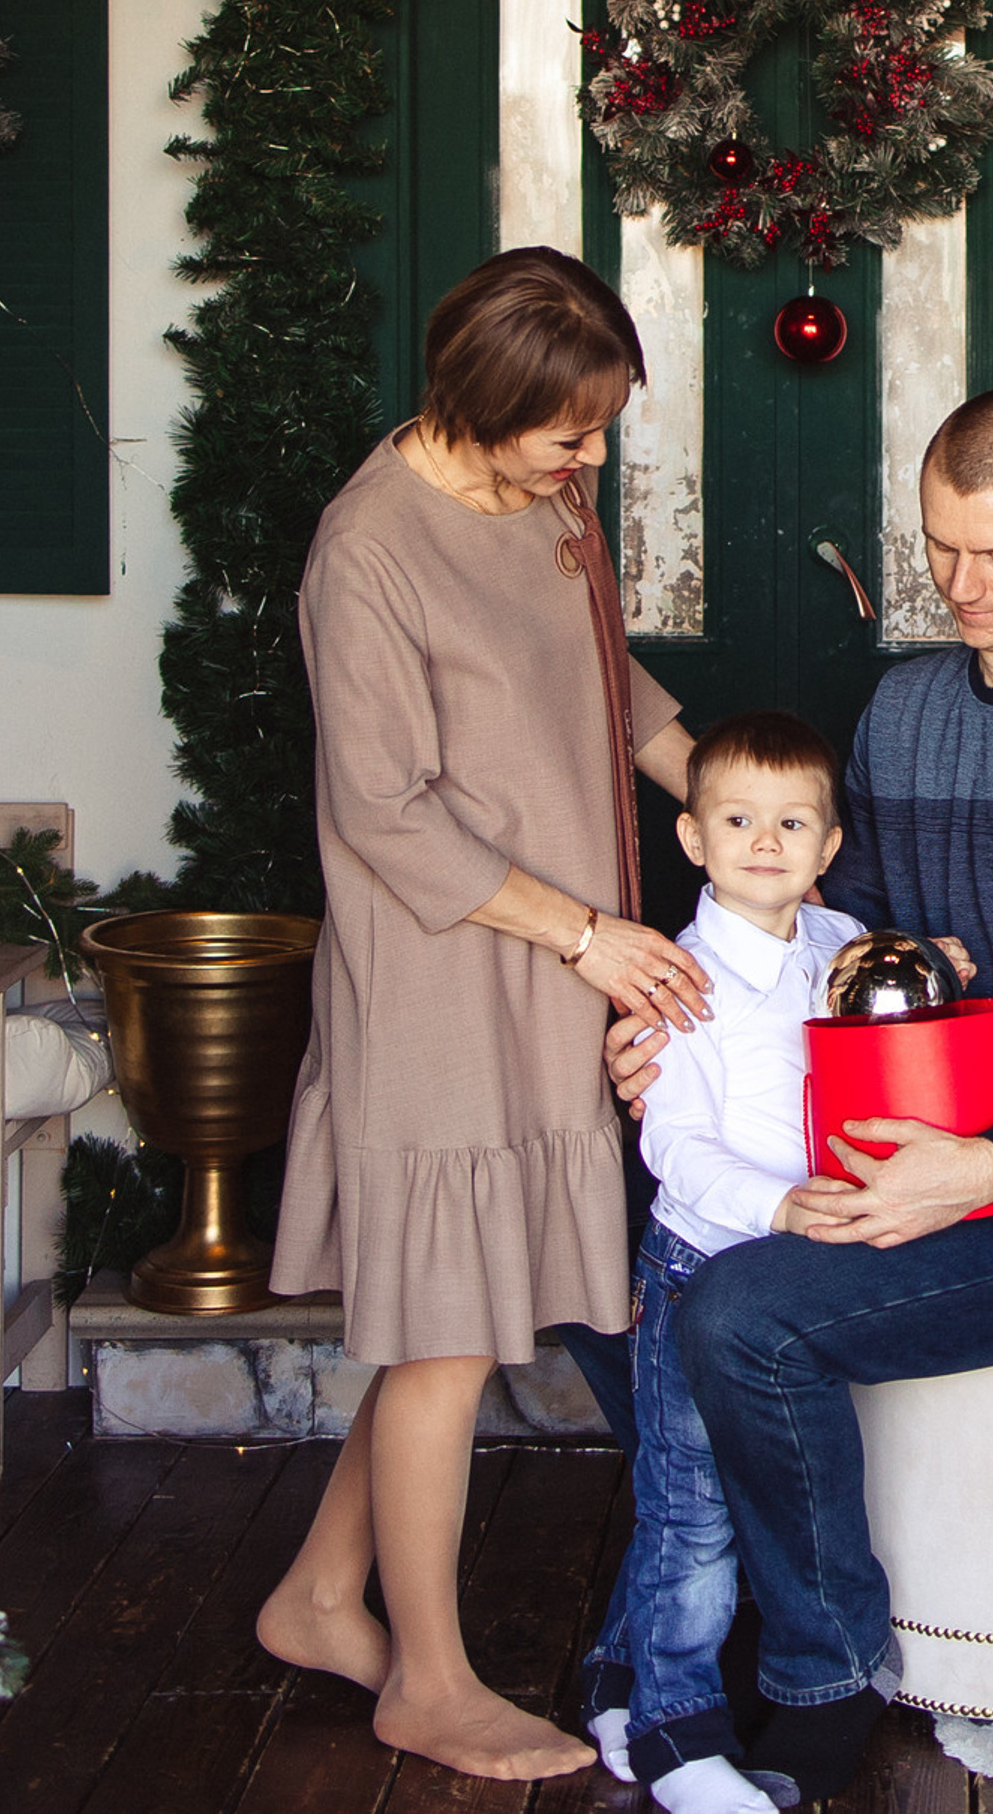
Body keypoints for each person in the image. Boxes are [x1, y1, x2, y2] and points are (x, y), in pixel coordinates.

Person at [606, 388, 993, 1801]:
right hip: (893, 1145)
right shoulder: (905, 705)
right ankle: (651, 1663)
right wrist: (672, 1038)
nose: (963, 586)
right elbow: (820, 945)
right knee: (638, 1274)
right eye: (941, 547)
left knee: (743, 1316)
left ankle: (816, 1673)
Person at [257, 248, 714, 1786]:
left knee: (447, 1319)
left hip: (552, 950)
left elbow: (598, 677)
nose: (592, 464)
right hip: (448, 969)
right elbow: (384, 813)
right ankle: (427, 1683)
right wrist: (590, 934)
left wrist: (711, 796)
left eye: (601, 432)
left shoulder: (549, 503)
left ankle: (324, 1597)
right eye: (568, 436)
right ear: (475, 401)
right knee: (449, 1334)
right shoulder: (367, 550)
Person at [580, 710, 867, 1814]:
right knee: (690, 1506)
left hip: (796, 1285)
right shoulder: (681, 978)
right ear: (693, 837)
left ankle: (618, 1677)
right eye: (738, 819)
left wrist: (930, 962)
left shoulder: (836, 941)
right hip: (707, 1267)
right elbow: (674, 1148)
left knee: (705, 1497)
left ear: (827, 843)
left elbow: (877, 1015)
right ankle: (675, 1734)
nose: (765, 841)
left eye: (792, 821)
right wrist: (780, 1204)